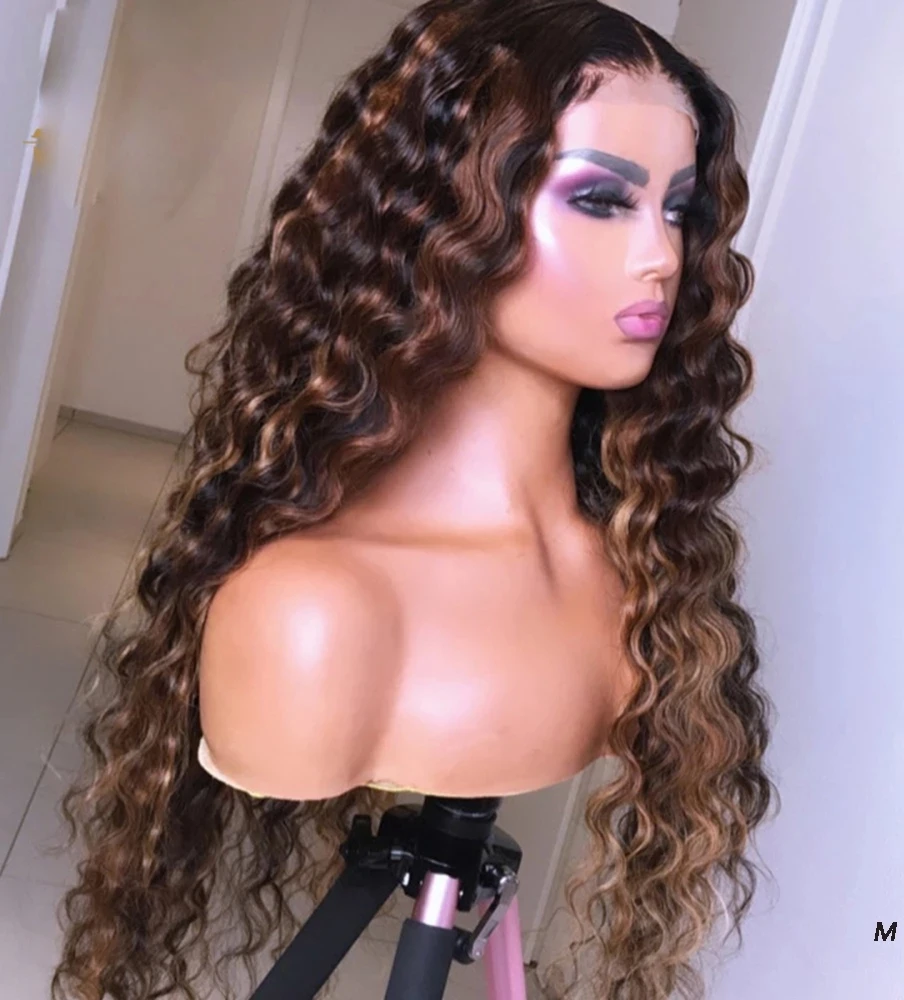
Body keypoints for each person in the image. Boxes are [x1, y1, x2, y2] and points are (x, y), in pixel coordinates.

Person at [53, 1, 779, 997]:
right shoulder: (311, 606)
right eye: (602, 199)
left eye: (679, 209)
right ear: (444, 210)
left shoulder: (643, 576)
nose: (661, 255)